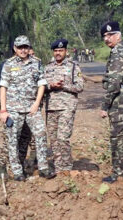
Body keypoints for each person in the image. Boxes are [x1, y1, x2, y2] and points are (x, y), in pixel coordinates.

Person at [0, 35, 55, 181]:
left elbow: (42, 84)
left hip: (32, 108)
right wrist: (3, 110)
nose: (23, 50)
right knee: (12, 140)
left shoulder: (36, 63)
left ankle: (43, 168)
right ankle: (17, 172)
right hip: (13, 109)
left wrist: (37, 103)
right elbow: (3, 87)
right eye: (20, 47)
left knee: (41, 134)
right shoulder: (8, 64)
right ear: (15, 48)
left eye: (26, 47)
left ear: (29, 48)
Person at [100, 21, 123, 183]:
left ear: (118, 35)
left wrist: (105, 105)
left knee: (116, 136)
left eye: (110, 35)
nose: (107, 39)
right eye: (104, 36)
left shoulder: (117, 52)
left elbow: (114, 82)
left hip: (120, 97)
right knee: (121, 134)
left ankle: (119, 173)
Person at [44, 39, 84, 174]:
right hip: (51, 108)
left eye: (60, 50)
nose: (58, 53)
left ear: (66, 51)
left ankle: (66, 167)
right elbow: (42, 87)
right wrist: (51, 86)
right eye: (56, 51)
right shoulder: (47, 67)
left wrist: (64, 86)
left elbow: (80, 86)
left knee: (63, 138)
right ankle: (58, 166)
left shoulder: (73, 66)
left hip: (67, 107)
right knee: (54, 140)